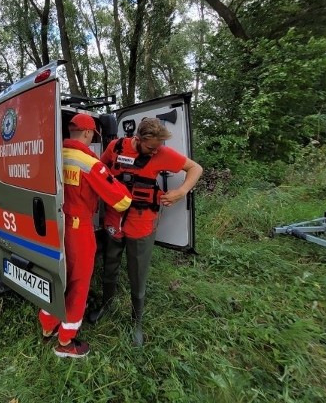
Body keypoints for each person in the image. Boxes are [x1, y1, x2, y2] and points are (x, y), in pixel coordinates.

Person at [87, 117, 203, 346]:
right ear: (138, 139)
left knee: (137, 272)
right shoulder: (116, 147)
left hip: (142, 222)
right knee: (109, 265)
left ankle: (136, 321)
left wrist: (181, 191)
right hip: (114, 218)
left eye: (158, 147)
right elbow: (98, 171)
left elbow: (195, 168)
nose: (155, 152)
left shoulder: (161, 152)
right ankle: (107, 305)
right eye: (151, 147)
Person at [39, 114, 132, 358]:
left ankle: (48, 327)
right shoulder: (89, 162)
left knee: (56, 278)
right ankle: (66, 343)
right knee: (78, 284)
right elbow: (121, 201)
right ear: (89, 133)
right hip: (78, 231)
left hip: (52, 225)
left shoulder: (52, 155)